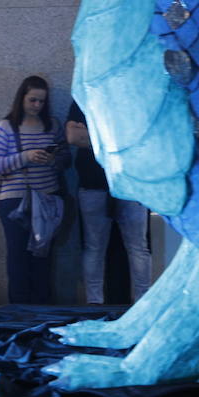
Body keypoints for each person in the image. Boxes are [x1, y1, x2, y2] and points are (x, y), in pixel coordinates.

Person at [0, 75, 65, 304]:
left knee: (43, 259)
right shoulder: (7, 127)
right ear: (22, 99)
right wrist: (25, 157)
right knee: (18, 259)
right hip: (15, 201)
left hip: (48, 199)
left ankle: (42, 309)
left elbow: (65, 159)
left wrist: (52, 161)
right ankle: (19, 311)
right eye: (33, 100)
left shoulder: (53, 125)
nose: (37, 106)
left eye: (41, 101)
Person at [68, 100, 151, 306]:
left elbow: (144, 137)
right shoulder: (84, 97)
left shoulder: (129, 97)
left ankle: (141, 302)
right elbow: (73, 136)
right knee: (98, 247)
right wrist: (119, 139)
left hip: (129, 185)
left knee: (136, 247)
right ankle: (95, 303)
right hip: (98, 184)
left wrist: (92, 135)